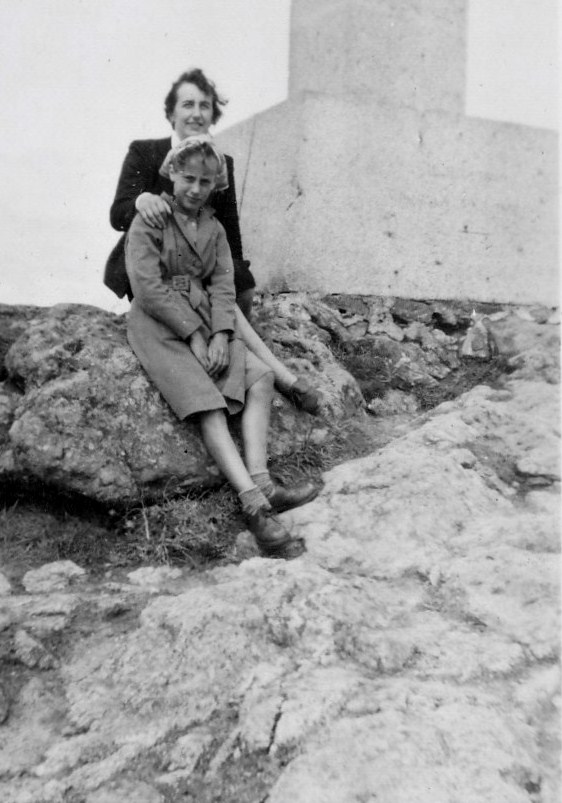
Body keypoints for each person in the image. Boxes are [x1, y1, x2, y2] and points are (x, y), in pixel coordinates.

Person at [125, 136, 318, 557]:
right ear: (172, 174)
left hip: (204, 318)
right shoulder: (151, 219)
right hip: (159, 325)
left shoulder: (214, 229)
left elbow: (223, 286)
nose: (195, 189)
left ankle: (264, 481)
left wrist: (218, 334)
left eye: (205, 182)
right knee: (208, 404)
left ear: (217, 185)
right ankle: (254, 506)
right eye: (188, 178)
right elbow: (148, 287)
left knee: (260, 376)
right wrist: (194, 334)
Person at [105, 67, 319, 415]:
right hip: (154, 273)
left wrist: (238, 278)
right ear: (171, 113)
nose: (196, 113)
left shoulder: (220, 165)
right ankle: (283, 377)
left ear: (213, 115)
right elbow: (118, 214)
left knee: (230, 293)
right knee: (215, 298)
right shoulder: (146, 152)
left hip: (199, 273)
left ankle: (259, 373)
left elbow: (229, 234)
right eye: (187, 104)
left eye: (204, 106)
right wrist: (141, 200)